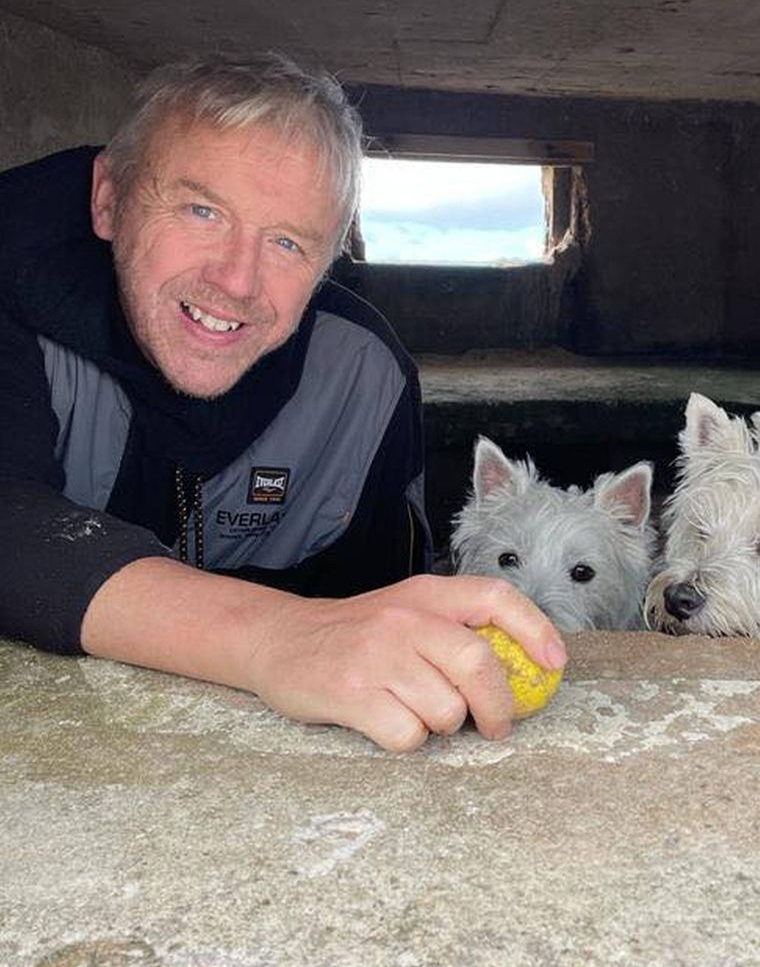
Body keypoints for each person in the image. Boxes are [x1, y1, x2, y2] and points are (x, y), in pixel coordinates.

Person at [0, 51, 566, 751]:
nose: (236, 281)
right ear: (109, 199)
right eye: (201, 210)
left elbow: (381, 614)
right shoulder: (13, 300)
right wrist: (274, 635)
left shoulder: (366, 381)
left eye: (288, 243)